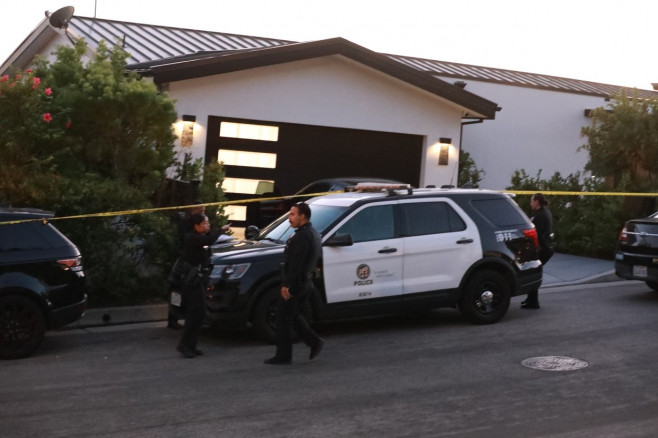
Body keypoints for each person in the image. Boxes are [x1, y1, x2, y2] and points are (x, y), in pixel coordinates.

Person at [265, 202, 325, 365]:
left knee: (283, 317)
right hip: (305, 282)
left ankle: (283, 355)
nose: (289, 218)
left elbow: (296, 263)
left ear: (302, 216)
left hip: (297, 283)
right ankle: (314, 341)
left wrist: (287, 285)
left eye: (292, 215)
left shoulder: (302, 236)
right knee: (292, 315)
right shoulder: (312, 233)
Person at [176, 213, 229, 358]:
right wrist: (222, 230)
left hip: (198, 279)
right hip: (190, 280)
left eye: (208, 223)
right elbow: (210, 240)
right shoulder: (191, 237)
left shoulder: (199, 236)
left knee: (199, 313)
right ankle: (184, 345)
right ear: (196, 226)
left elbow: (208, 238)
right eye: (205, 223)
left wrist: (212, 230)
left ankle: (191, 345)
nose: (208, 225)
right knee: (194, 313)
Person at [168, 202, 206, 330]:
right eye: (200, 211)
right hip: (183, 262)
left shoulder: (196, 224)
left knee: (180, 292)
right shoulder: (186, 225)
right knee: (177, 291)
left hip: (187, 262)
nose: (203, 214)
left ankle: (176, 317)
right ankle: (173, 317)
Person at [522, 192, 554, 309]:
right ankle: (530, 299)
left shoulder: (540, 216)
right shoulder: (543, 212)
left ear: (536, 202)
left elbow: (537, 234)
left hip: (542, 249)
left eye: (532, 201)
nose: (530, 203)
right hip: (546, 248)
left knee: (533, 272)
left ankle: (533, 302)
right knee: (534, 271)